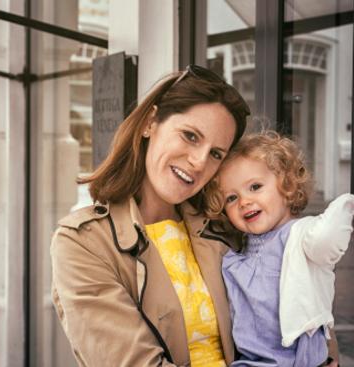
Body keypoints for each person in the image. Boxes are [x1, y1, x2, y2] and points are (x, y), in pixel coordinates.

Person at [50, 65, 253, 367]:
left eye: (215, 154)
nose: (198, 162)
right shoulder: (83, 243)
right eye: (190, 136)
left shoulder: (227, 227)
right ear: (149, 123)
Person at [204, 131, 354, 366]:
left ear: (287, 186)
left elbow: (326, 239)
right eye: (232, 198)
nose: (244, 201)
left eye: (255, 187)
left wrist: (348, 204)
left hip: (299, 360)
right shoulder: (236, 256)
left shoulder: (301, 235)